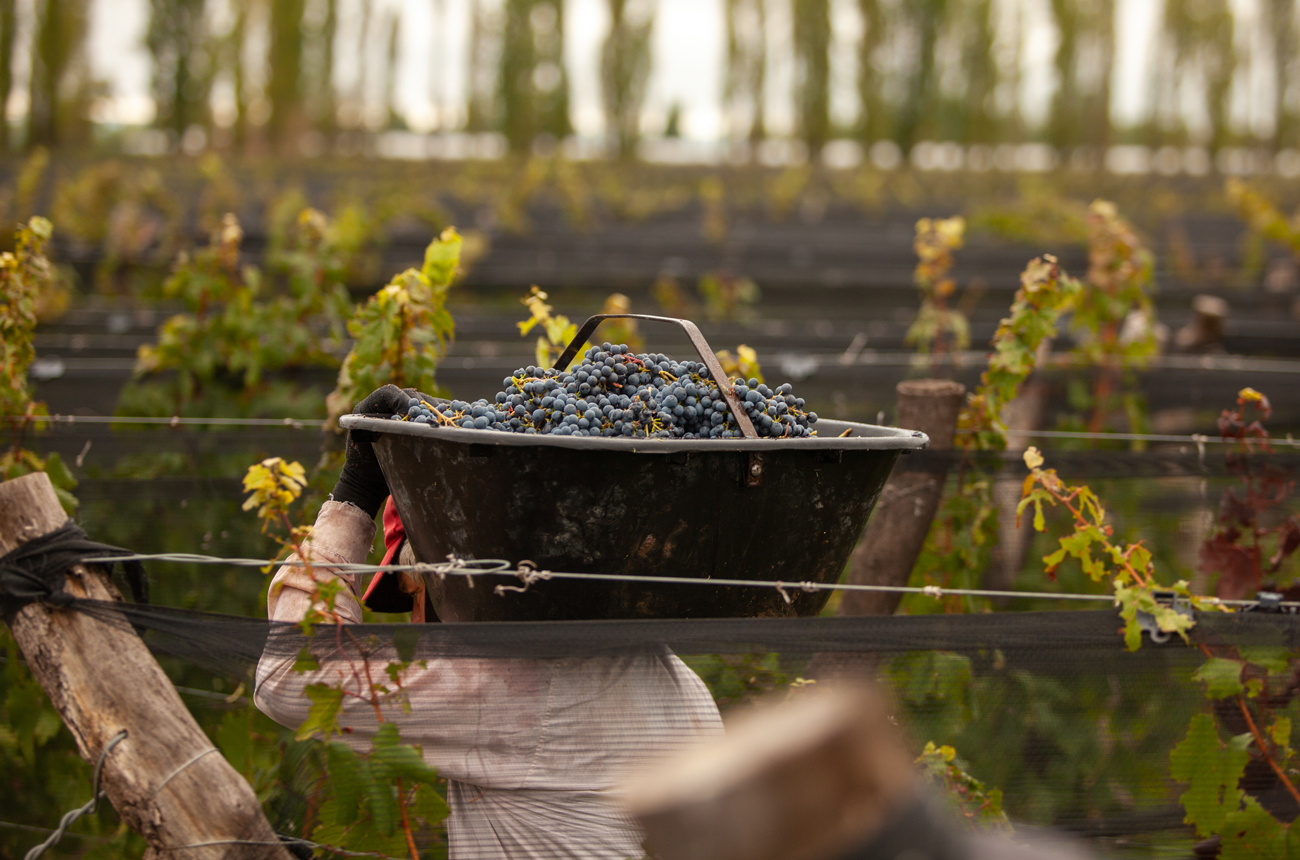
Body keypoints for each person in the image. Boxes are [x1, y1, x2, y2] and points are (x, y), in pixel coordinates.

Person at [254, 385, 724, 860]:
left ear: (447, 583)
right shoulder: (677, 682)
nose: (414, 625)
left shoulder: (514, 685)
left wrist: (352, 501)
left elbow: (290, 677)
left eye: (411, 596)